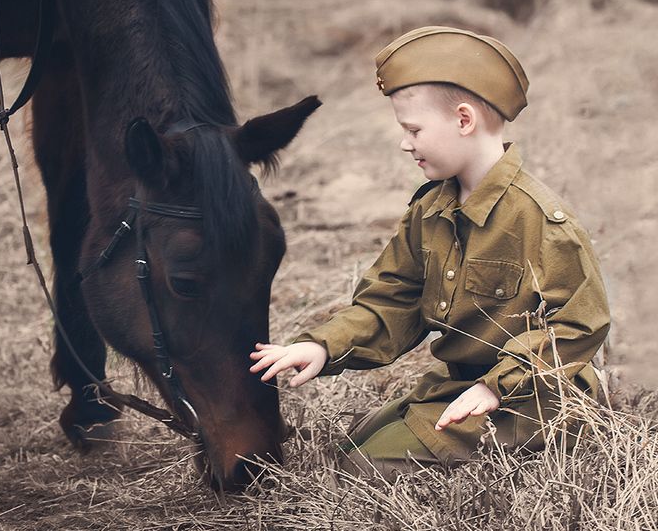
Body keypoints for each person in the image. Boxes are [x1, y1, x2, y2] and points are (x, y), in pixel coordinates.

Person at [249, 26, 610, 480]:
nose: (405, 143)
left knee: (363, 469)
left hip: (535, 395)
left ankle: (550, 449)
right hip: (462, 382)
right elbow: (392, 299)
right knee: (352, 443)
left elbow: (578, 324)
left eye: (413, 129)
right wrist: (321, 346)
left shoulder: (539, 218)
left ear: (463, 120)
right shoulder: (431, 208)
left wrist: (498, 388)